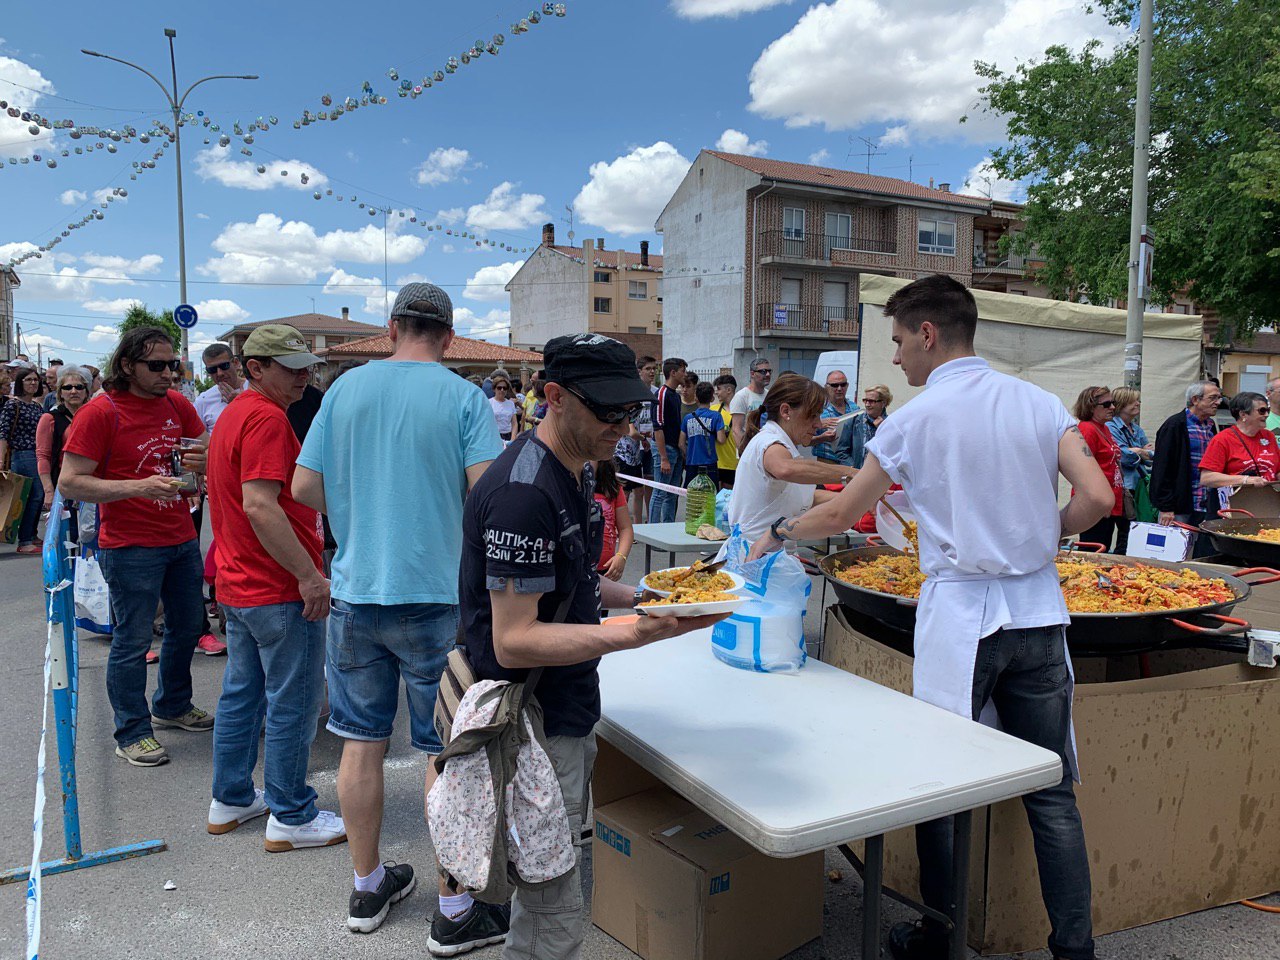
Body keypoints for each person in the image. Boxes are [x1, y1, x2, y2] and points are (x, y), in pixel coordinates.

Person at [747, 275, 1111, 960]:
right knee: (1054, 794)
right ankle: (1075, 950)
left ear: (928, 334)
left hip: (964, 618)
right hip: (1039, 611)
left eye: (896, 341)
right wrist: (1041, 535)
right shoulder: (1038, 400)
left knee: (941, 785)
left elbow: (841, 512)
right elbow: (1096, 495)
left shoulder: (913, 419)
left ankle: (942, 937)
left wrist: (781, 532)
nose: (897, 359)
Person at [446, 332, 725, 959]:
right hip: (532, 718)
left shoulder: (569, 467)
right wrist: (635, 634)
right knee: (553, 907)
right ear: (554, 398)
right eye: (608, 412)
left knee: (550, 878)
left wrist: (647, 597)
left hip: (563, 706)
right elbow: (513, 639)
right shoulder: (522, 494)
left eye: (630, 411)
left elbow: (569, 576)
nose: (623, 428)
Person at [292, 282, 503, 935]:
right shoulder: (466, 399)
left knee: (359, 743)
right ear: (448, 335)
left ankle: (366, 887)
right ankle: (455, 905)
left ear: (391, 328)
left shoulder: (346, 390)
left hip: (356, 592)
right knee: (447, 750)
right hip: (437, 596)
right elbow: (484, 500)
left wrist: (366, 501)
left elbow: (304, 487)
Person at [204, 324, 346, 851]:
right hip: (275, 587)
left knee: (243, 695)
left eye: (305, 364)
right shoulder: (264, 416)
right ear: (255, 368)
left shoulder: (237, 413)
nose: (304, 375)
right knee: (293, 700)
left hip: (241, 583)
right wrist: (309, 575)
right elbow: (260, 504)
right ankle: (290, 813)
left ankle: (234, 796)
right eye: (291, 367)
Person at [58, 327, 215, 767]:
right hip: (128, 546)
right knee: (131, 640)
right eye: (157, 366)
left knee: (188, 628)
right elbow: (72, 481)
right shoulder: (100, 411)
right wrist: (140, 487)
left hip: (181, 537)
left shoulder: (176, 403)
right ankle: (131, 730)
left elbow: (203, 447)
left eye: (174, 365)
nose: (170, 373)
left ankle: (172, 706)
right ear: (127, 366)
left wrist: (203, 458)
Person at [727, 373, 849, 543]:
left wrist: (861, 497)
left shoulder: (786, 446)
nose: (819, 424)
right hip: (753, 554)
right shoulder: (769, 442)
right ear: (785, 411)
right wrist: (852, 475)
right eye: (813, 415)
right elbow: (784, 469)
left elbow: (806, 498)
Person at [1151, 381, 1224, 557]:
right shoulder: (1175, 425)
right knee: (1174, 554)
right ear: (1195, 400)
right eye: (1213, 398)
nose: (1218, 402)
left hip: (1204, 500)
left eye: (1219, 397)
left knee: (1201, 552)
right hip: (1180, 503)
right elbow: (1162, 468)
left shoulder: (1210, 425)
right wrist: (1166, 506)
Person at [1198, 391, 1280, 510]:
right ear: (1243, 415)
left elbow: (1276, 470)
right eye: (1262, 411)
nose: (1267, 414)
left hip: (1267, 505)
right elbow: (1207, 478)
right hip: (1234, 508)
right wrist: (1246, 480)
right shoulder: (1222, 439)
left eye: (1268, 410)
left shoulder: (1269, 436)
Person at [36, 365, 91, 539]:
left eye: (79, 387)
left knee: (92, 536)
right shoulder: (50, 419)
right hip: (64, 487)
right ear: (60, 392)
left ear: (86, 391)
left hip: (93, 484)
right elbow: (43, 456)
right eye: (68, 387)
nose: (73, 391)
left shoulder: (94, 416)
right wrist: (49, 491)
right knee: (69, 538)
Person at [0, 363, 48, 554]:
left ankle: (32, 535)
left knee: (36, 495)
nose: (33, 383)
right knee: (34, 495)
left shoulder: (37, 406)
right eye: (28, 379)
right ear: (20, 382)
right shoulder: (13, 404)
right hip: (22, 454)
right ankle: (25, 540)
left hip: (38, 454)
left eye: (35, 380)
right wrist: (1, 460)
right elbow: (2, 433)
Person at [1072, 386, 1124, 551]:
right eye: (1107, 404)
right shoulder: (1087, 429)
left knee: (1103, 548)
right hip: (1095, 504)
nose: (1113, 408)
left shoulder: (1104, 428)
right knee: (1094, 552)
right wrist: (1099, 503)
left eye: (1113, 403)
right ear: (1091, 407)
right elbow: (1081, 470)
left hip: (1107, 503)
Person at [1107, 387, 1152, 555]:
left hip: (1137, 486)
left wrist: (1137, 451)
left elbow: (1150, 455)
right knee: (1124, 530)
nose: (1138, 403)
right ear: (1122, 403)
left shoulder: (1136, 429)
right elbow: (1123, 457)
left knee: (1131, 531)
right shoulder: (1111, 427)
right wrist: (1141, 451)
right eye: (1134, 400)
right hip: (1121, 487)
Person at [650, 357, 688, 524]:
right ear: (673, 372)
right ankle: (652, 531)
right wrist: (663, 457)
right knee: (659, 492)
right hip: (665, 449)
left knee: (672, 493)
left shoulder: (676, 396)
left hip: (675, 449)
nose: (685, 374)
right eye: (683, 371)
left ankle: (667, 528)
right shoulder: (662, 394)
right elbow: (658, 427)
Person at [629, 356, 660, 521]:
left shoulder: (657, 392)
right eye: (648, 369)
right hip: (636, 444)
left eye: (654, 368)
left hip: (652, 443)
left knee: (650, 485)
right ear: (639, 371)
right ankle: (637, 524)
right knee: (637, 489)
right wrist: (641, 438)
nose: (652, 372)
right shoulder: (634, 392)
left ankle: (650, 519)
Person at [679, 380, 725, 488]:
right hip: (710, 462)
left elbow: (681, 443)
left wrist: (688, 454)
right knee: (710, 494)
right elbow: (721, 440)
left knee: (692, 495)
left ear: (696, 398)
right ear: (712, 398)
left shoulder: (687, 418)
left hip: (692, 462)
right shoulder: (716, 416)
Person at [594, 457, 634, 581]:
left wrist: (621, 556)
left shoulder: (612, 486)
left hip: (606, 569)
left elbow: (625, 528)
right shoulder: (569, 487)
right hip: (578, 569)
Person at [194, 342, 247, 434]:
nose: (219, 373)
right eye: (212, 370)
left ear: (236, 363)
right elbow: (200, 439)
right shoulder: (203, 401)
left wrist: (242, 403)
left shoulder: (256, 389)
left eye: (224, 366)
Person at [836, 383, 892, 469]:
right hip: (857, 473)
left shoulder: (890, 424)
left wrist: (881, 429)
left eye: (871, 401)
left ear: (883, 403)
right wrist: (852, 468)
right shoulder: (854, 422)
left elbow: (893, 452)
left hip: (880, 475)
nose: (867, 404)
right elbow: (841, 451)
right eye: (865, 400)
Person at [729, 357, 771, 450]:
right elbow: (736, 430)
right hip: (749, 451)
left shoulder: (769, 395)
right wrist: (746, 452)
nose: (768, 374)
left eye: (769, 371)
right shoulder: (741, 396)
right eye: (763, 371)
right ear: (752, 373)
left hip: (766, 450)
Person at [815, 368, 854, 464]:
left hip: (850, 461)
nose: (839, 389)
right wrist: (821, 436)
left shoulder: (854, 408)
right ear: (826, 387)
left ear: (847, 386)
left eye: (843, 384)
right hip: (826, 462)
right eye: (835, 385)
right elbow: (804, 442)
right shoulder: (817, 409)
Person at [711, 374, 739, 489]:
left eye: (718, 389)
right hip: (714, 462)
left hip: (733, 463)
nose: (716, 393)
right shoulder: (713, 410)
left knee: (728, 500)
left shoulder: (741, 412)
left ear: (729, 390)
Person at [488, 373, 520, 441]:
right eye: (499, 388)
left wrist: (513, 439)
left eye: (504, 388)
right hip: (494, 436)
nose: (502, 390)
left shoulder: (510, 403)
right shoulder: (489, 403)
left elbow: (514, 423)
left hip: (508, 436)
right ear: (494, 389)